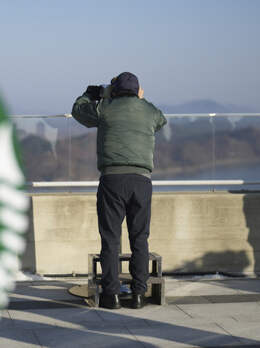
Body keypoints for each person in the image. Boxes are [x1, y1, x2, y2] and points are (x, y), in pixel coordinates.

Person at [71, 72, 166, 309]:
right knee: (140, 239)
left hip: (112, 180)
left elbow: (78, 111)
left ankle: (111, 296)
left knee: (111, 239)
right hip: (141, 181)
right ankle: (138, 295)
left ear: (114, 91)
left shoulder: (105, 107)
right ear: (137, 91)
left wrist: (90, 94)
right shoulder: (148, 111)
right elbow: (161, 120)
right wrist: (141, 101)